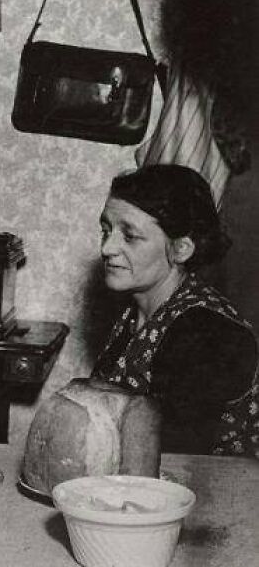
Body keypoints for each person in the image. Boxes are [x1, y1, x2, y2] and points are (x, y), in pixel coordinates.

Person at [91, 164, 258, 455]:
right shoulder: (136, 313)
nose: (107, 248)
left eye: (129, 236)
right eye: (107, 230)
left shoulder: (206, 332)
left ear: (181, 249)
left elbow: (178, 452)